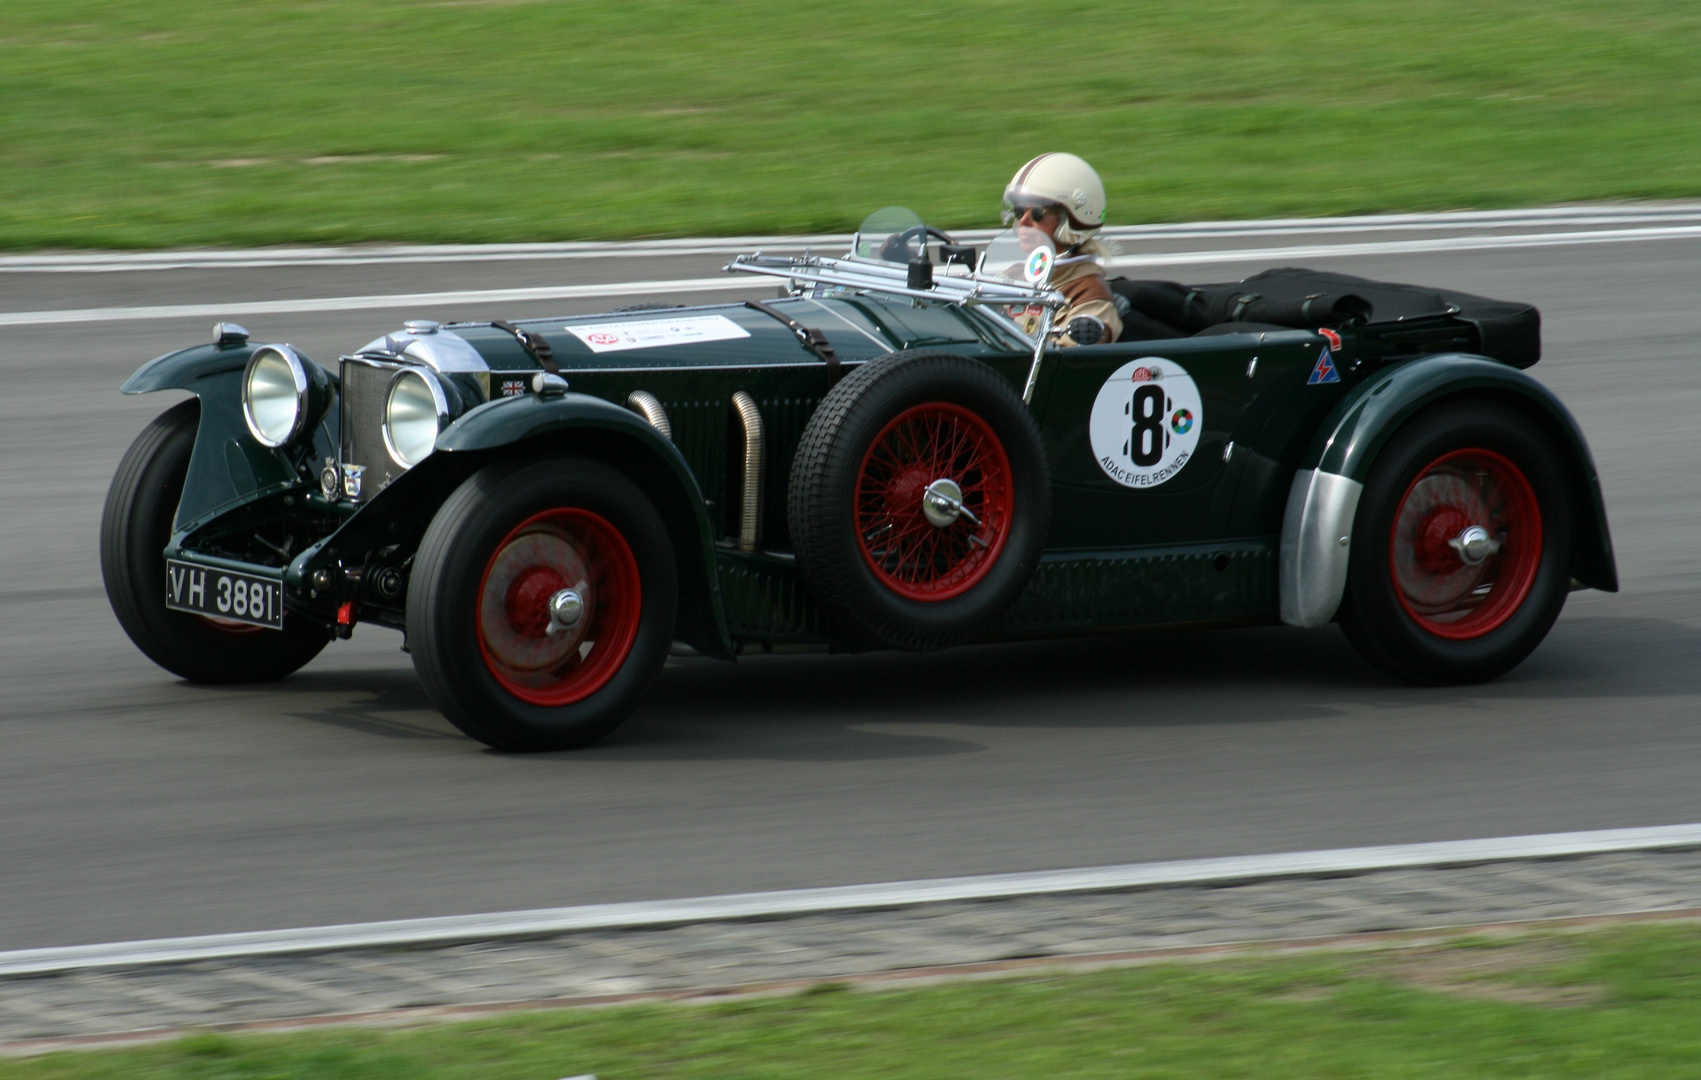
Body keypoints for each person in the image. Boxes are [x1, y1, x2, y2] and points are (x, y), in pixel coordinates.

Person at [1001, 152, 1121, 346]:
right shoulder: (1014, 275)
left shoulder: (1089, 294)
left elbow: (1068, 364)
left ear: (1070, 220)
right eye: (1019, 210)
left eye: (1038, 213)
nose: (1023, 221)